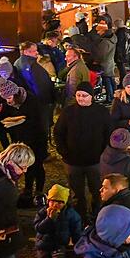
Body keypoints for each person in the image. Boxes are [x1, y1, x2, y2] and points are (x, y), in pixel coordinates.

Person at [53, 82, 112, 224]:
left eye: (84, 96)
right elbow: (58, 133)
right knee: (76, 193)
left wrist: (103, 153)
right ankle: (80, 218)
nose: (81, 98)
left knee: (98, 191)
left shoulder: (101, 112)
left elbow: (108, 134)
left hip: (95, 161)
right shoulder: (68, 112)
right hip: (72, 162)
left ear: (91, 96)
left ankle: (97, 215)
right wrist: (64, 152)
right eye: (78, 95)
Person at [0, 78, 48, 206]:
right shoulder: (9, 104)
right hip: (21, 140)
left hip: (37, 141)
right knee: (25, 167)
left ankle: (39, 192)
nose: (7, 101)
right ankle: (27, 190)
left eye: (9, 98)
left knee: (37, 166)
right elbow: (5, 117)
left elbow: (40, 122)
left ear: (15, 94)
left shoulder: (31, 100)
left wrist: (23, 121)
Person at [33, 184, 82, 258]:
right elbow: (39, 228)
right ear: (48, 200)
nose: (55, 205)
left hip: (59, 245)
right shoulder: (43, 213)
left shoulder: (71, 214)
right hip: (43, 245)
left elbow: (76, 230)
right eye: (53, 201)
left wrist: (77, 243)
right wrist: (49, 219)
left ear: (65, 203)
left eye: (60, 202)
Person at [13, 41, 55, 133]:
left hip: (26, 100)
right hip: (39, 101)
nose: (37, 53)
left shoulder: (16, 63)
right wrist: (49, 100)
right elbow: (41, 85)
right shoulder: (32, 65)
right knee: (41, 127)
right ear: (25, 52)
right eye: (34, 51)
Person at [90, 19, 117, 102]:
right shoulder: (113, 38)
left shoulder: (105, 42)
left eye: (99, 31)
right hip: (110, 61)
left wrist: (96, 60)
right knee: (111, 79)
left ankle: (110, 98)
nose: (97, 33)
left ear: (103, 31)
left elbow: (101, 55)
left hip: (105, 63)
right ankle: (114, 95)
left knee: (107, 80)